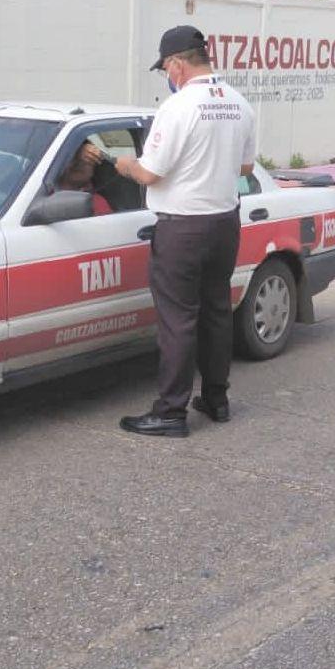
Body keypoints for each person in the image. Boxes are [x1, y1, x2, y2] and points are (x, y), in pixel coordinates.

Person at [111, 25, 256, 437]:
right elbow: (245, 168)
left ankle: (171, 412)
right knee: (215, 313)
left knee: (177, 320)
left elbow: (150, 173)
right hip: (224, 223)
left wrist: (123, 165)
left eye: (166, 69)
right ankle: (216, 399)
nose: (167, 77)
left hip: (182, 229)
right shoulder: (239, 103)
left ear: (176, 63)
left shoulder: (177, 108)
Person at [58, 142, 113, 215]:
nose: (79, 163)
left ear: (94, 169)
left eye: (88, 161)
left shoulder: (96, 202)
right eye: (73, 158)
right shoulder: (42, 190)